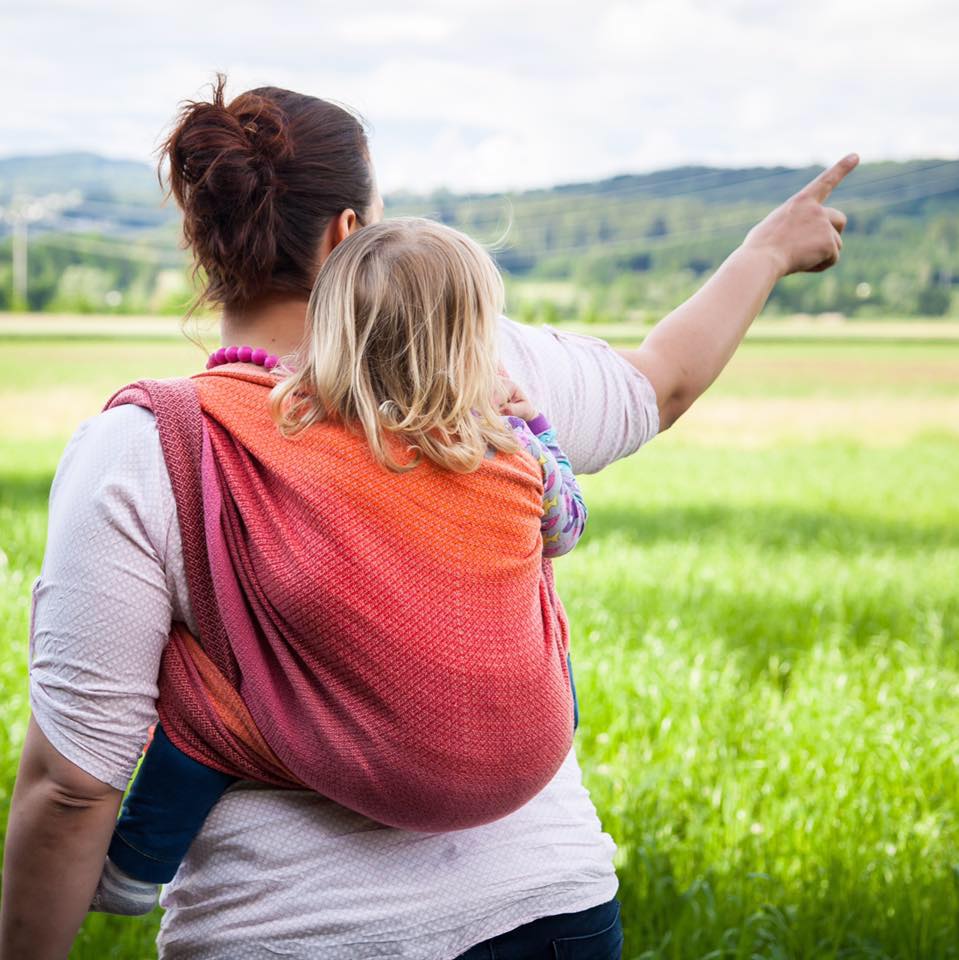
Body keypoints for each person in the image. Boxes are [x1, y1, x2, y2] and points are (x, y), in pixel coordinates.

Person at [0, 75, 855, 960]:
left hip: (292, 932)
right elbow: (660, 382)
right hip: (550, 913)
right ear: (348, 234)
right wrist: (765, 250)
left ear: (206, 244)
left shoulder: (142, 447)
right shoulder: (476, 371)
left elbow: (71, 789)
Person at [90, 217, 589, 917]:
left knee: (206, 701)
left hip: (383, 761)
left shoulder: (297, 435)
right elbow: (566, 530)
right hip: (529, 753)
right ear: (472, 342)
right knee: (542, 612)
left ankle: (138, 868)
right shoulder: (509, 457)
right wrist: (538, 430)